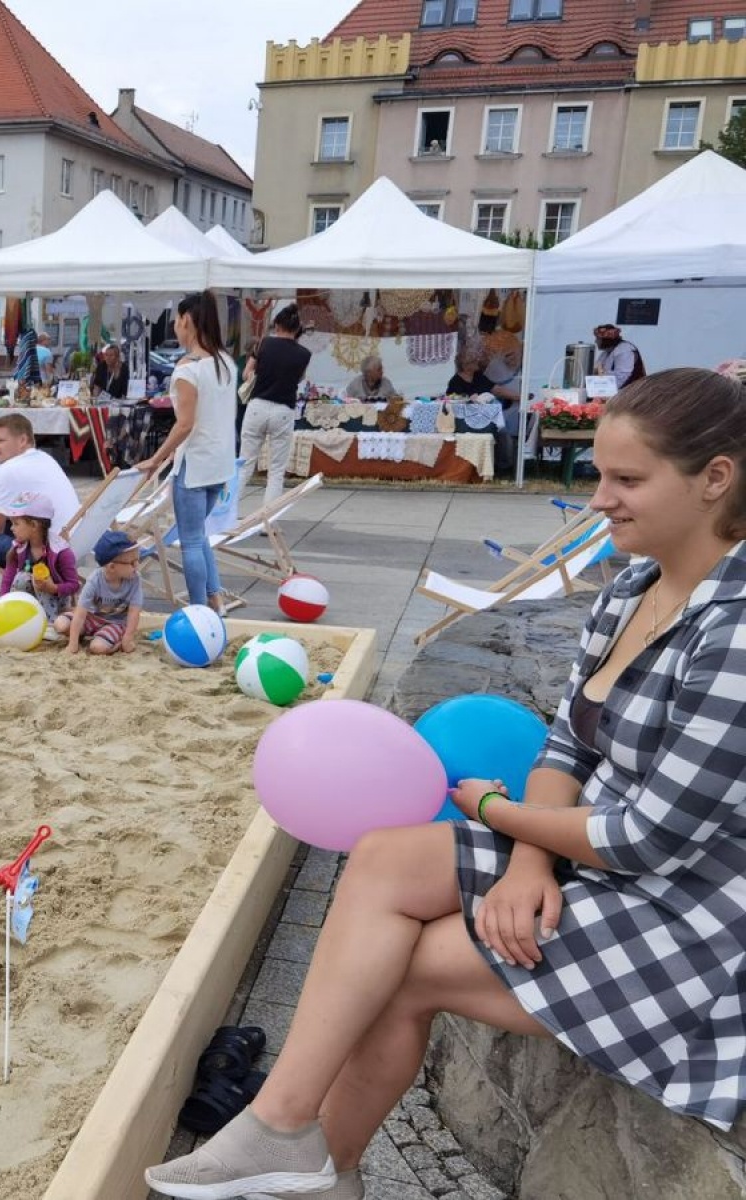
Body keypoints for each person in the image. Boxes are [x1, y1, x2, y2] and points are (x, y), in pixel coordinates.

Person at [146, 370, 746, 1199]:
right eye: (602, 474)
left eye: (628, 480)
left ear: (716, 479)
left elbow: (651, 838)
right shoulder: (630, 591)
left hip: (697, 918)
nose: (600, 498)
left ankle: (318, 1164)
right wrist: (528, 862)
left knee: (404, 965)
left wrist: (499, 814)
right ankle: (280, 1128)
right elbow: (569, 745)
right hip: (605, 861)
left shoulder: (736, 627)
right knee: (389, 857)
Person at [135, 291, 239, 613]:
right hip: (220, 462)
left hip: (195, 464)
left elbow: (184, 425)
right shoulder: (225, 361)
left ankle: (199, 611)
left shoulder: (187, 369)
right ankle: (213, 598)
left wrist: (157, 459)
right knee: (199, 534)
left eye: (177, 322)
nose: (175, 329)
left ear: (187, 322)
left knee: (191, 540)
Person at [0, 413, 81, 563]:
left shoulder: (10, 468)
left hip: (48, 553)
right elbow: (24, 508)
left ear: (22, 440)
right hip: (73, 542)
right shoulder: (44, 458)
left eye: (0, 441)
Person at [239, 303, 310, 508]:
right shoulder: (304, 354)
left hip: (258, 406)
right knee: (277, 470)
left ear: (277, 325)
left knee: (244, 464)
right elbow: (299, 378)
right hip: (283, 410)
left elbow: (246, 375)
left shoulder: (263, 344)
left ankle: (225, 515)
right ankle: (267, 520)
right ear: (297, 330)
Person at [0, 491, 81, 624]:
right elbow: (8, 578)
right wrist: (2, 603)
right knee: (22, 577)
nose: (12, 528)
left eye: (16, 523)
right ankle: (16, 616)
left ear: (34, 525)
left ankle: (49, 624)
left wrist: (53, 588)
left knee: (39, 580)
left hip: (56, 601)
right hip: (31, 599)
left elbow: (74, 585)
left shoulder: (60, 551)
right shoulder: (19, 548)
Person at [56, 530, 142, 655]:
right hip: (91, 618)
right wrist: (72, 645)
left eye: (137, 560)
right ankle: (84, 636)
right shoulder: (95, 580)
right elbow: (80, 613)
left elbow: (134, 612)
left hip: (115, 623)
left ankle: (108, 641)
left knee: (97, 647)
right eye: (132, 563)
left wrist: (127, 639)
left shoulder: (135, 579)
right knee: (60, 624)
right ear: (112, 567)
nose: (137, 565)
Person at [593, 324, 644, 389]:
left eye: (598, 339)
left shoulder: (625, 350)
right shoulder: (605, 353)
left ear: (606, 340)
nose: (596, 341)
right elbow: (596, 371)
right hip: (608, 391)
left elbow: (623, 378)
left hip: (629, 392)